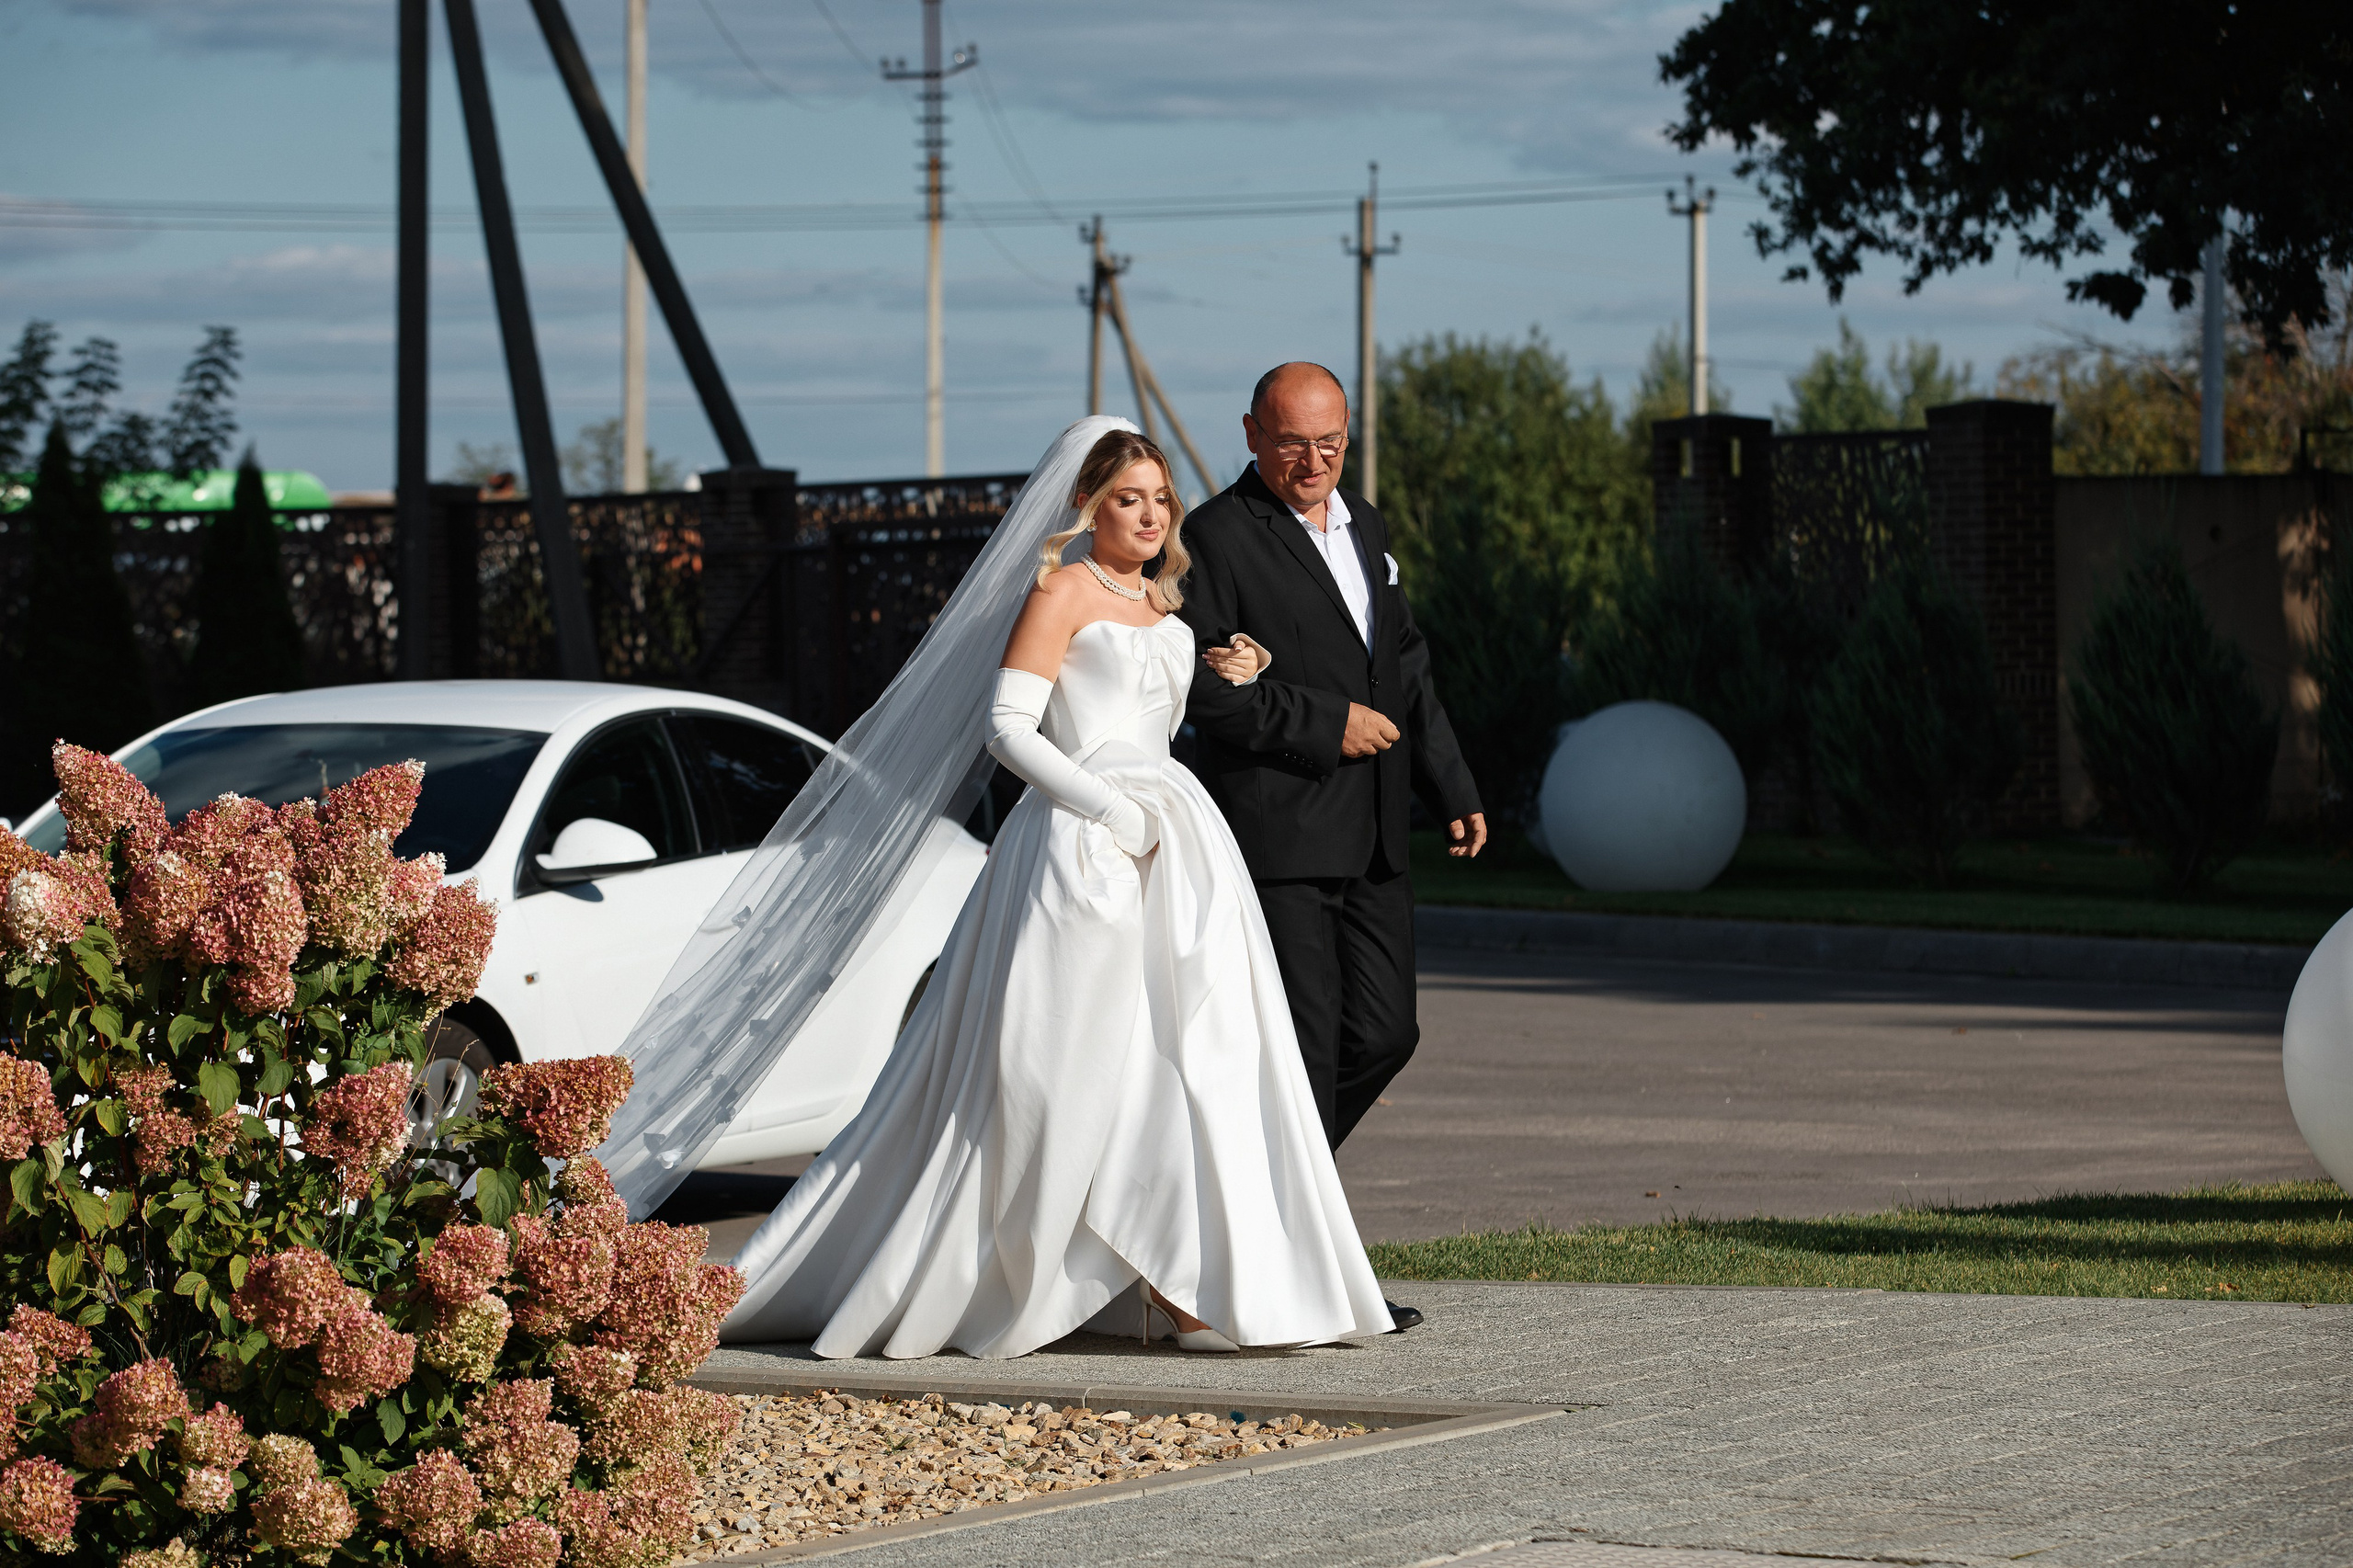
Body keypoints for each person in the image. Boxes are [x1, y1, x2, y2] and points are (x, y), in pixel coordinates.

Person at [716, 420, 1392, 1358]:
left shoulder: (1163, 600)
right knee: (1070, 1072)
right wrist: (1109, 810)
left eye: (1160, 498)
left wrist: (1237, 668)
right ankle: (1063, 1276)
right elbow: (1009, 728)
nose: (1150, 514)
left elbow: (1159, 703)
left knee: (1191, 1060)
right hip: (1081, 856)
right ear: (1087, 505)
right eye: (1128, 498)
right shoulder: (1062, 591)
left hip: (1178, 853)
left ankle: (1175, 1280)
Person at [1176, 362, 1486, 1333]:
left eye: (1331, 442)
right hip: (1281, 837)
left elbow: (1404, 667)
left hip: (1376, 832)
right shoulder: (1217, 537)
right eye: (1290, 443)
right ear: (1250, 434)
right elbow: (1199, 687)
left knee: (1385, 1033)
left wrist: (1452, 781)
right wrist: (1325, 722)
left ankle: (1258, 1206)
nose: (1312, 462)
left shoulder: (1369, 526)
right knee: (1305, 1052)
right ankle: (1299, 1275)